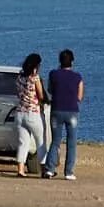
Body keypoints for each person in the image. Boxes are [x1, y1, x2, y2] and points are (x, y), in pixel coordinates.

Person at [44, 48, 84, 180]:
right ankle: (69, 172)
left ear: (60, 61)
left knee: (55, 141)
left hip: (56, 110)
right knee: (71, 142)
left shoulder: (53, 74)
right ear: (72, 62)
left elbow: (50, 90)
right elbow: (79, 96)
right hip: (72, 111)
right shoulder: (77, 77)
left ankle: (50, 169)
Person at [14, 53, 47, 177]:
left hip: (20, 113)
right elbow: (41, 95)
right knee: (40, 142)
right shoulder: (35, 78)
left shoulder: (19, 77)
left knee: (23, 143)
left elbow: (19, 94)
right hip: (33, 113)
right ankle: (44, 169)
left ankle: (20, 170)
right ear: (36, 65)